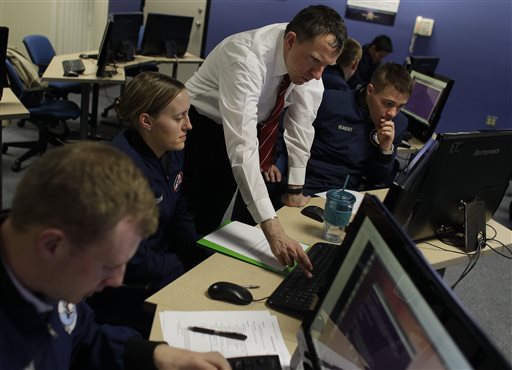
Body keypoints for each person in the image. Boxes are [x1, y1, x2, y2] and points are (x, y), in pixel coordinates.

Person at [0, 142, 230, 370]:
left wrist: (154, 355)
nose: (118, 280)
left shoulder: (48, 274)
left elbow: (82, 337)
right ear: (52, 245)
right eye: (109, 265)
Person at [184, 5, 347, 276]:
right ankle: (176, 281)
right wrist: (272, 230)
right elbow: (242, 146)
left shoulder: (309, 64)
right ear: (291, 40)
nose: (318, 74)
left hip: (248, 125)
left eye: (327, 66)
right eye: (315, 62)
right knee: (193, 214)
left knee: (222, 215)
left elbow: (301, 126)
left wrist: (295, 189)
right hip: (200, 127)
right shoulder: (246, 57)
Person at [88, 72, 210, 337]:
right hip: (127, 282)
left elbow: (179, 208)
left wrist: (196, 252)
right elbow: (127, 256)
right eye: (179, 118)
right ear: (146, 121)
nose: (189, 126)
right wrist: (180, 268)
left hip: (160, 260)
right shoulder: (119, 171)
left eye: (188, 115)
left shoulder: (170, 150)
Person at [304, 63, 413, 195]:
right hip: (310, 185)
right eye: (388, 104)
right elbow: (287, 131)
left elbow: (377, 180)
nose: (393, 113)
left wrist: (385, 150)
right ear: (370, 90)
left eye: (400, 106)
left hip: (350, 192)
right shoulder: (329, 102)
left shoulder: (399, 123)